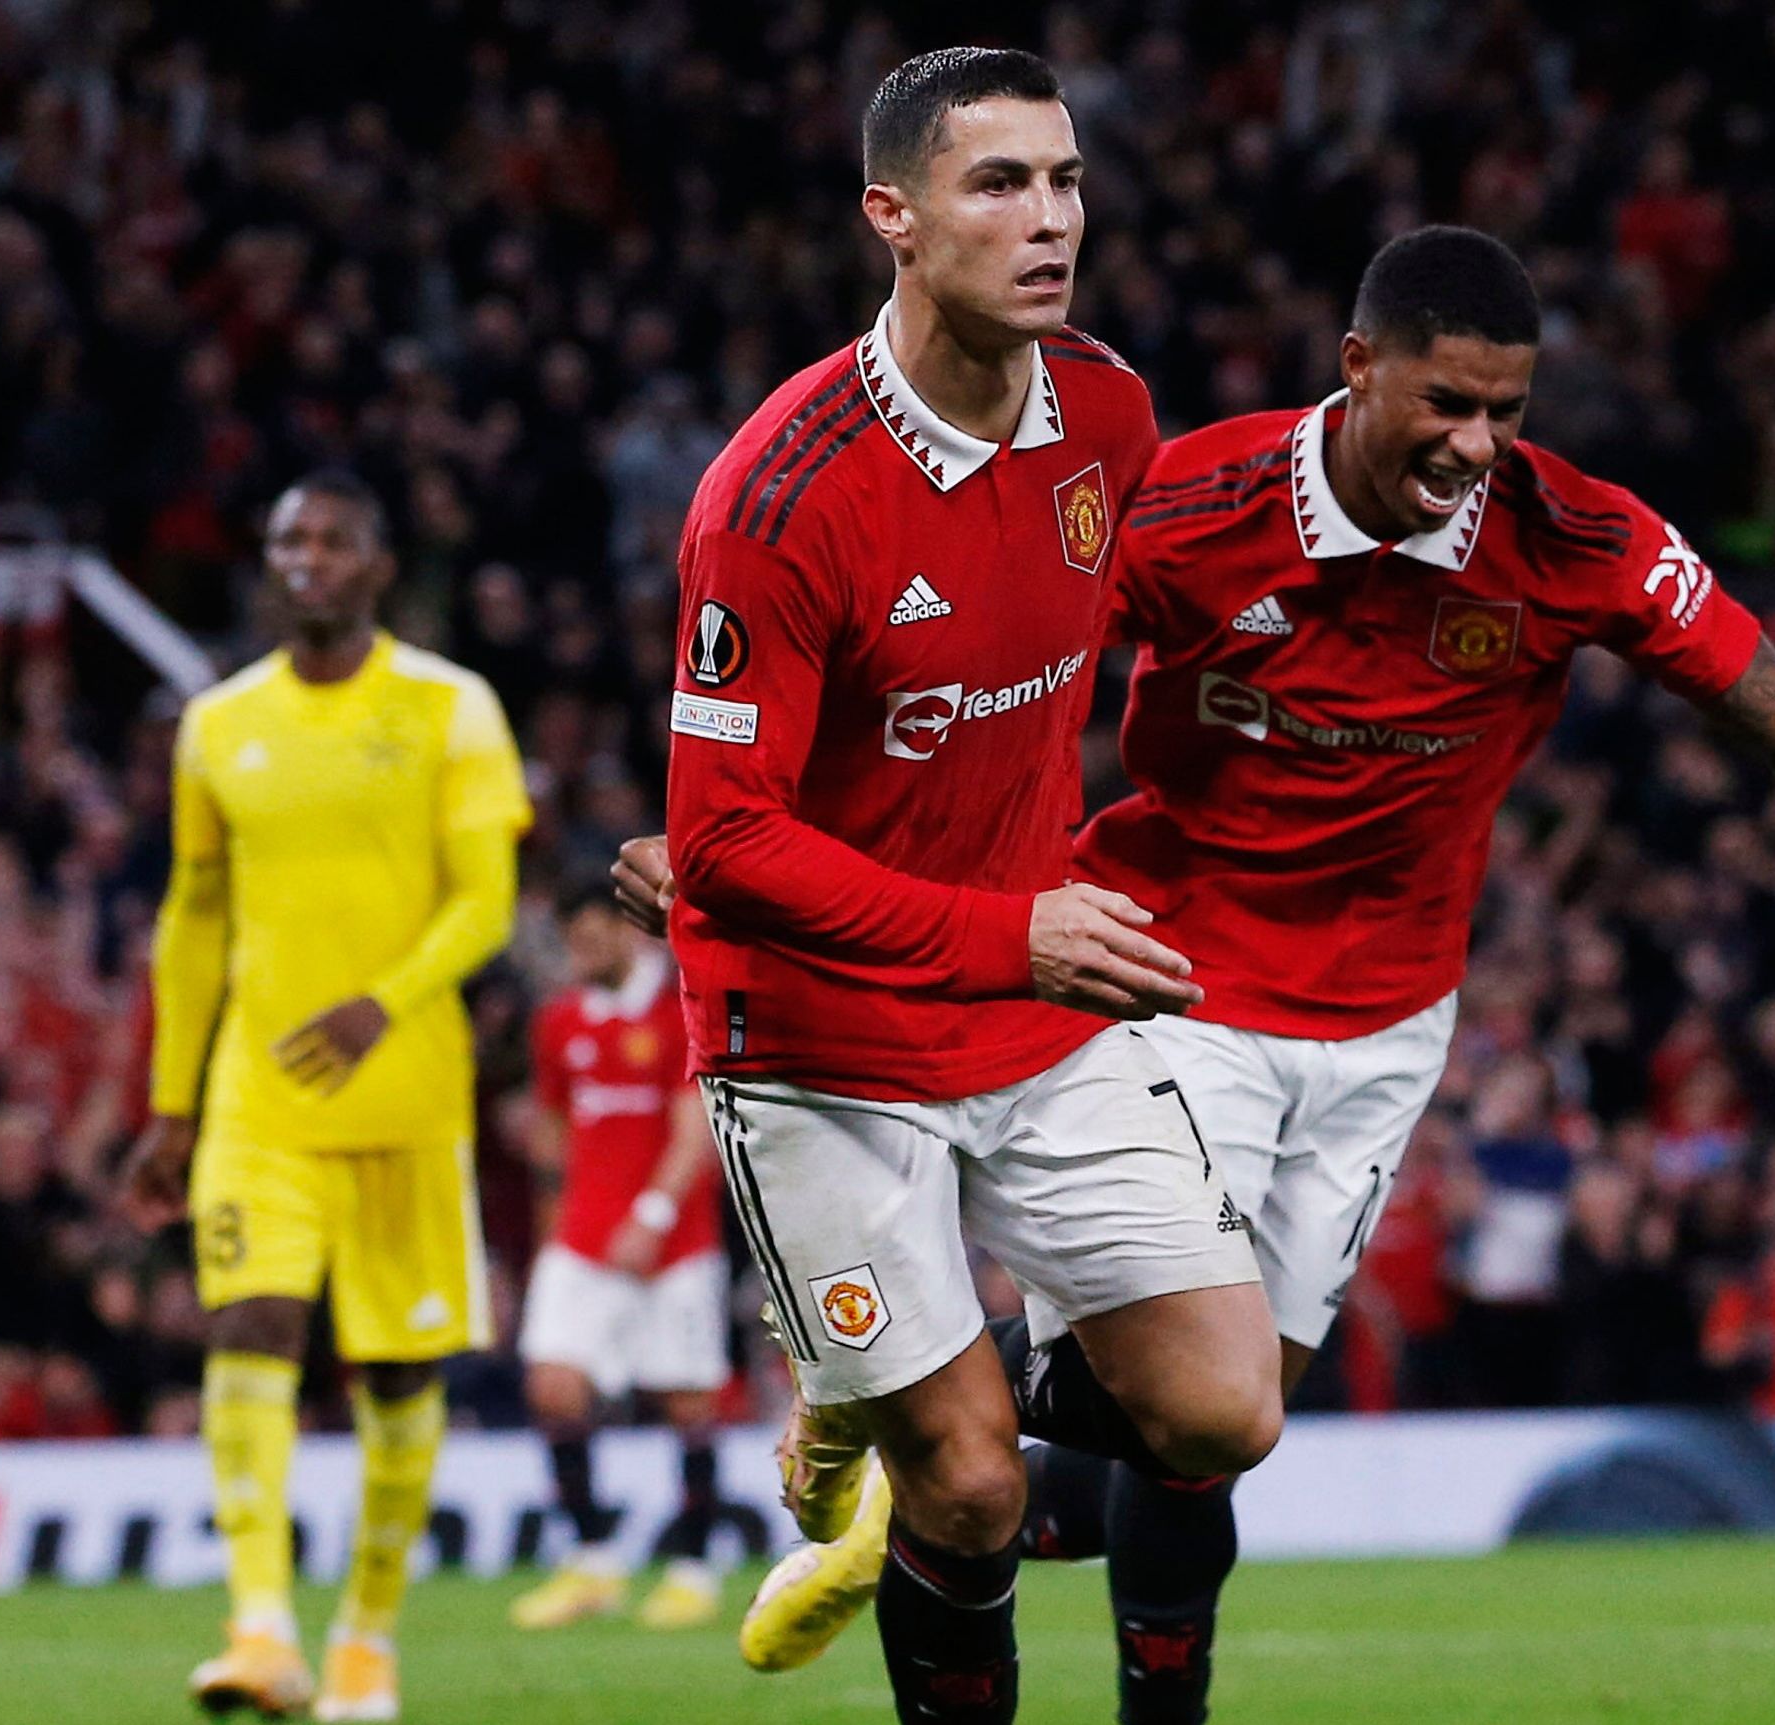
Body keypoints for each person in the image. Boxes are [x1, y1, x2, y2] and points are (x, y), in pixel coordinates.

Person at [624, 223, 1775, 1724]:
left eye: (1506, 410)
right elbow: (961, 669)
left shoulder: (1575, 541)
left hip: (1383, 1025)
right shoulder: (1181, 504)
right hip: (1168, 982)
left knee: (1215, 1436)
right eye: (1444, 401)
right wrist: (737, 842)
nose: (1475, 443)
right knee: (1177, 1419)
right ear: (1357, 367)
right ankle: (927, 1435)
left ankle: (903, 1453)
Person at [653, 48, 1276, 1725]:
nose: (1049, 218)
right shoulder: (774, 501)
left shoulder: (1111, 415)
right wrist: (1014, 927)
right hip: (818, 1037)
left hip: (1029, 1013)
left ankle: (900, 1383)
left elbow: (1135, 631)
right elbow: (723, 843)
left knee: (1226, 1407)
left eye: (1065, 181)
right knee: (975, 1491)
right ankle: (908, 1417)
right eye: (998, 184)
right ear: (893, 218)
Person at [123, 471, 532, 1722]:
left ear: (376, 565)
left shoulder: (450, 708)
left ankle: (364, 1637)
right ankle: (259, 1628)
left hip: (406, 1097)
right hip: (258, 1099)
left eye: (333, 540)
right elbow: (193, 918)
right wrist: (172, 1101)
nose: (305, 557)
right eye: (288, 539)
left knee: (397, 1382)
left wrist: (382, 1000)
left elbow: (485, 902)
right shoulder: (217, 723)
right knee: (248, 1325)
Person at [508, 885, 731, 1633]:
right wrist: (549, 1230)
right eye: (572, 939)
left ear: (626, 933)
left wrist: (654, 1213)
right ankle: (595, 1561)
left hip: (673, 1240)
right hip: (582, 1237)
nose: (581, 951)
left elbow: (692, 1122)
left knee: (685, 1400)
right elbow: (550, 1128)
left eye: (591, 934)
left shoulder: (678, 1011)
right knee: (553, 1386)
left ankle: (694, 1568)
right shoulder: (558, 1023)